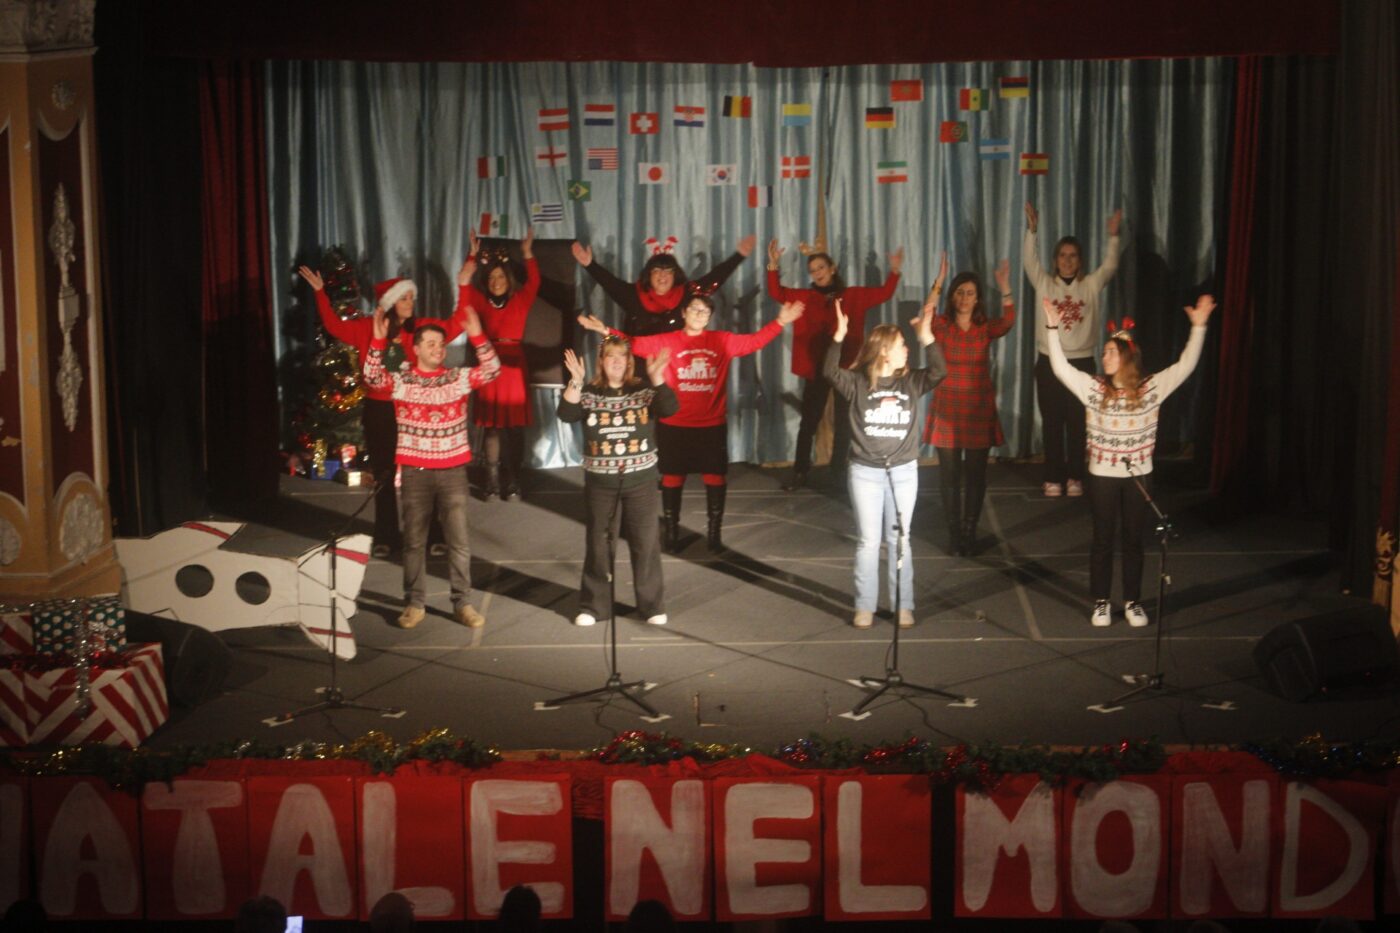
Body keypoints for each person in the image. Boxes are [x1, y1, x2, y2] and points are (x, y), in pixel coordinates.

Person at [581, 292, 804, 552]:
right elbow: (633, 343)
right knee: (672, 477)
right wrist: (605, 331)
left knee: (715, 477)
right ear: (684, 312)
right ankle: (672, 533)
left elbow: (755, 341)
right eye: (695, 309)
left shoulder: (722, 340)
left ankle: (714, 535)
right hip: (675, 424)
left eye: (705, 311)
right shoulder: (667, 341)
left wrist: (780, 321)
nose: (700, 314)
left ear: (710, 317)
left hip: (711, 425)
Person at [1043, 293, 1215, 627]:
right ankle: (1101, 601)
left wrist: (1198, 327)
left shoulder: (1151, 389)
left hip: (1139, 475)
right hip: (1102, 476)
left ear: (1127, 357)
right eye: (1104, 351)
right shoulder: (1094, 389)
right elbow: (1060, 368)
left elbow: (1185, 366)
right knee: (1103, 539)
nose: (1104, 356)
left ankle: (1133, 600)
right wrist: (1052, 327)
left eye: (1111, 351)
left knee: (1134, 540)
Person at [299, 256, 475, 558]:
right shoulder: (367, 328)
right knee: (383, 475)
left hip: (414, 412)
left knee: (425, 473)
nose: (411, 302)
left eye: (412, 298)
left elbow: (458, 322)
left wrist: (464, 283)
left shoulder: (420, 331)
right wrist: (319, 292)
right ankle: (386, 536)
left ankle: (434, 535)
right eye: (405, 298)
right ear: (391, 302)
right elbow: (333, 326)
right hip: (379, 411)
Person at [362, 299, 500, 630]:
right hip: (415, 473)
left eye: (442, 343)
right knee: (413, 542)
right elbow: (371, 376)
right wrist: (377, 340)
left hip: (453, 472)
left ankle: (462, 603)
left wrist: (478, 336)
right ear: (416, 349)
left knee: (458, 542)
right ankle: (414, 602)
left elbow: (493, 370)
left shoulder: (456, 378)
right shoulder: (402, 380)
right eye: (431, 344)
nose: (439, 349)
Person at [825, 298, 945, 628]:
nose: (907, 350)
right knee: (868, 541)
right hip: (866, 472)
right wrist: (839, 336)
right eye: (902, 345)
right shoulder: (858, 382)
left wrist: (927, 337)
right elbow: (829, 372)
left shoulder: (911, 382)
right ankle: (864, 605)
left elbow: (940, 371)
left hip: (903, 472)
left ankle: (903, 605)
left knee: (900, 540)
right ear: (884, 351)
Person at [765, 238, 904, 489]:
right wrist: (773, 265)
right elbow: (777, 293)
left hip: (846, 369)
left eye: (821, 267)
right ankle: (800, 472)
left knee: (843, 423)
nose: (817, 273)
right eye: (812, 270)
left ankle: (837, 473)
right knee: (809, 422)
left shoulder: (854, 295)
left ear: (832, 268)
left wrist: (894, 270)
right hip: (816, 369)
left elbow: (884, 293)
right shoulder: (805, 297)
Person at [558, 338, 677, 626]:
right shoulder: (589, 393)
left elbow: (670, 408)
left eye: (621, 357)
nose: (616, 362)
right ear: (601, 362)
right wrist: (576, 381)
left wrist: (658, 378)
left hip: (640, 482)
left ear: (629, 362)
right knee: (599, 546)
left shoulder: (643, 391)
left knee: (645, 544)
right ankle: (594, 607)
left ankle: (651, 607)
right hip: (601, 484)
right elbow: (566, 414)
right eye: (610, 356)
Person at [1023, 202, 1122, 498]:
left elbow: (1110, 267)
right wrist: (1032, 231)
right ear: (1055, 260)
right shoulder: (1044, 283)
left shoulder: (1089, 285)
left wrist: (1113, 237)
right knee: (1053, 422)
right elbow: (1029, 261)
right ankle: (1053, 477)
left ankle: (1075, 476)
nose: (1067, 261)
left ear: (1080, 261)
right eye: (1062, 256)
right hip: (1049, 362)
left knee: (1078, 423)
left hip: (1082, 363)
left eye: (1073, 256)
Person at [922, 256, 1016, 556]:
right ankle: (954, 535)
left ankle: (969, 531)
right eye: (960, 292)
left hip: (978, 409)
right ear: (952, 297)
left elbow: (1009, 321)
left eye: (970, 293)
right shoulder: (941, 325)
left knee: (976, 477)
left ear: (978, 299)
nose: (964, 298)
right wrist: (939, 281)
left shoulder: (984, 327)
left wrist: (1005, 286)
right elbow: (925, 316)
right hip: (946, 408)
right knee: (949, 477)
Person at [464, 228, 541, 501]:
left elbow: (534, 281)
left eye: (500, 276)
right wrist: (471, 256)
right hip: (489, 363)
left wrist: (527, 253)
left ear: (508, 279)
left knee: (514, 427)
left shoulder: (520, 300)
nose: (496, 281)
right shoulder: (480, 302)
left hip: (514, 367)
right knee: (492, 426)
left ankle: (514, 480)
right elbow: (464, 288)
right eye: (492, 277)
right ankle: (492, 481)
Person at [571, 235, 757, 336]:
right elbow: (609, 283)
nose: (662, 275)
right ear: (648, 275)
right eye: (657, 270)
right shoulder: (633, 295)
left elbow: (715, 278)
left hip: (676, 368)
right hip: (640, 368)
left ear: (675, 275)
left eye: (668, 271)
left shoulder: (688, 294)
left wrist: (738, 256)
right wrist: (589, 265)